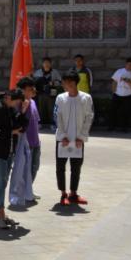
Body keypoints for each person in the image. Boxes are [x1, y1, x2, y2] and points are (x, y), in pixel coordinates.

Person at [0, 90, 26, 229]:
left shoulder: (10, 108)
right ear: (9, 98)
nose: (17, 105)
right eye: (16, 102)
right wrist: (12, 132)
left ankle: (1, 213)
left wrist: (22, 112)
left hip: (9, 151)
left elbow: (21, 125)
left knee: (3, 183)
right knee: (0, 183)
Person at [55, 70, 95, 206]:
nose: (63, 85)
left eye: (65, 82)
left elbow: (89, 117)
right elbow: (57, 117)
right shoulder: (60, 98)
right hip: (63, 139)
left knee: (76, 167)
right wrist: (62, 136)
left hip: (78, 139)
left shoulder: (86, 98)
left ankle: (73, 193)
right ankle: (63, 194)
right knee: (60, 167)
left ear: (72, 83)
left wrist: (82, 137)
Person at [10, 77, 41, 207]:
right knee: (23, 170)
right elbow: (16, 122)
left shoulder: (32, 102)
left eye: (33, 89)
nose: (32, 91)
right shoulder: (18, 104)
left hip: (35, 141)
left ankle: (28, 190)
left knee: (35, 167)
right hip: (24, 143)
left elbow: (36, 121)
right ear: (22, 90)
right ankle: (22, 193)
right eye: (29, 89)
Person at [109, 57, 131, 132]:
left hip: (128, 95)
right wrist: (113, 91)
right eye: (128, 64)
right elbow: (114, 81)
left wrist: (129, 81)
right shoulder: (119, 71)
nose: (129, 66)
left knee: (126, 111)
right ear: (125, 64)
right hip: (117, 94)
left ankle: (124, 127)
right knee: (113, 110)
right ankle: (111, 126)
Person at [33, 57, 61, 127]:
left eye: (48, 63)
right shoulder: (38, 72)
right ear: (42, 64)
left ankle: (52, 123)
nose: (46, 64)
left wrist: (53, 83)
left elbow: (60, 82)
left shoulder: (55, 72)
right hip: (41, 93)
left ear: (51, 64)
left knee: (52, 108)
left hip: (52, 93)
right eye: (45, 63)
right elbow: (34, 82)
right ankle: (40, 123)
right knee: (40, 108)